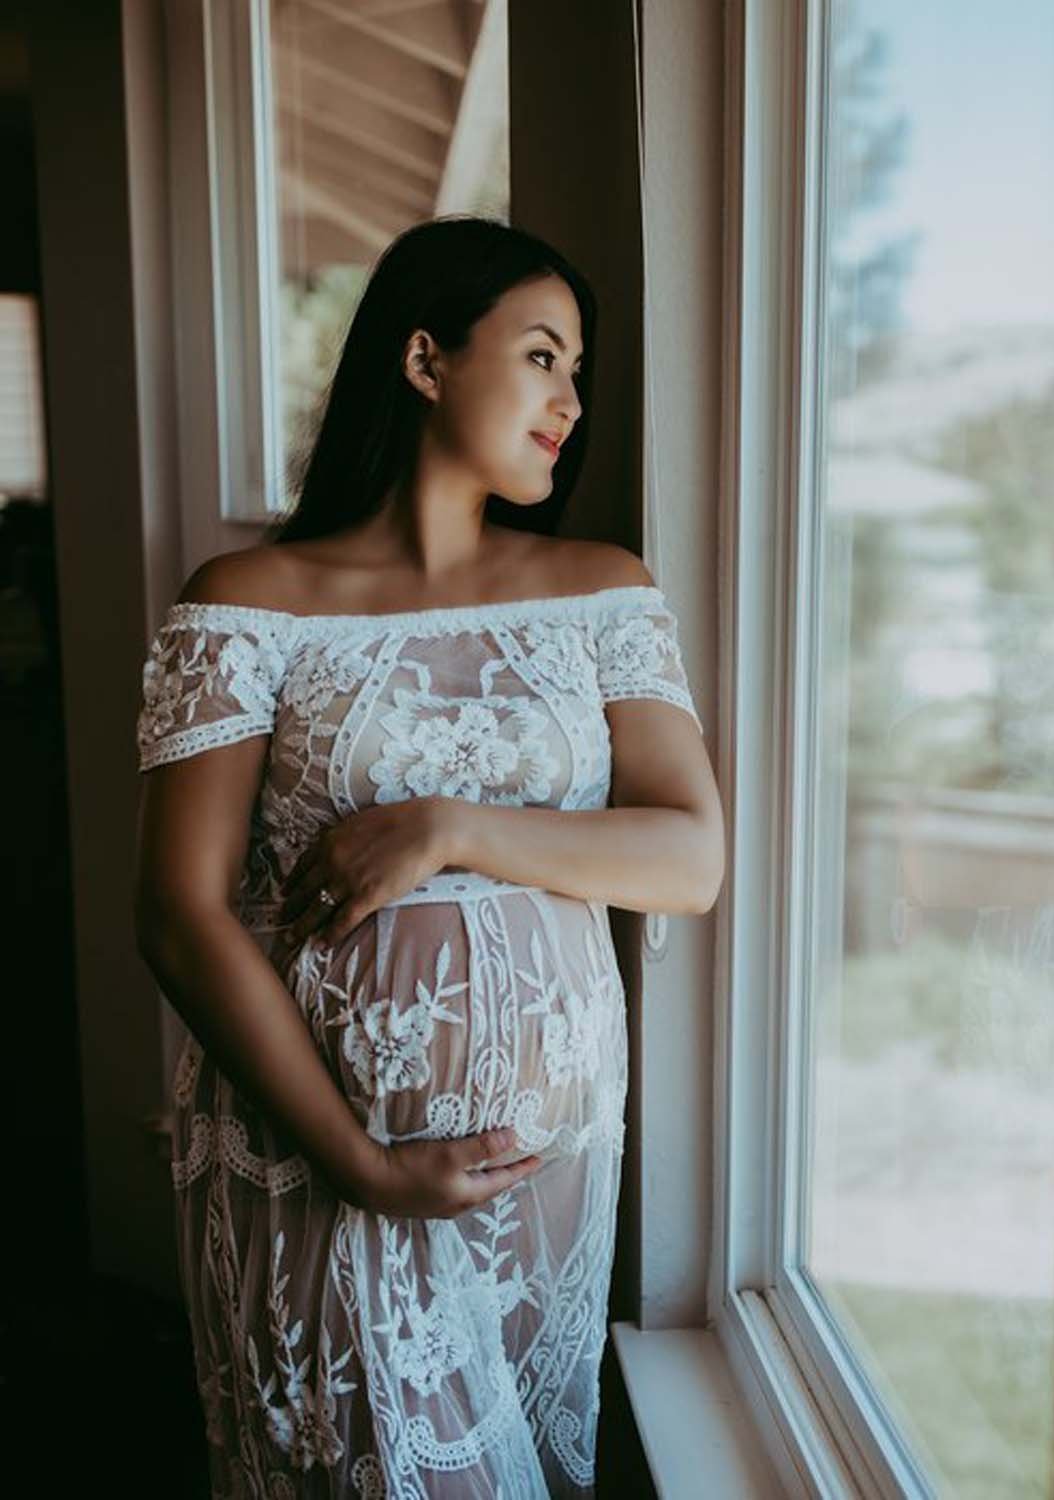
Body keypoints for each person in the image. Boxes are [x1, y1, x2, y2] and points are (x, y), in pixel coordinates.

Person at [134, 214, 724, 1499]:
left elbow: (690, 858)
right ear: (425, 359)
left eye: (580, 373)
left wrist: (451, 826)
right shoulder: (246, 600)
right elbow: (180, 914)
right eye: (542, 355)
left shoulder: (600, 588)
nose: (571, 401)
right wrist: (361, 1164)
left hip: (539, 1176)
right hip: (315, 1155)